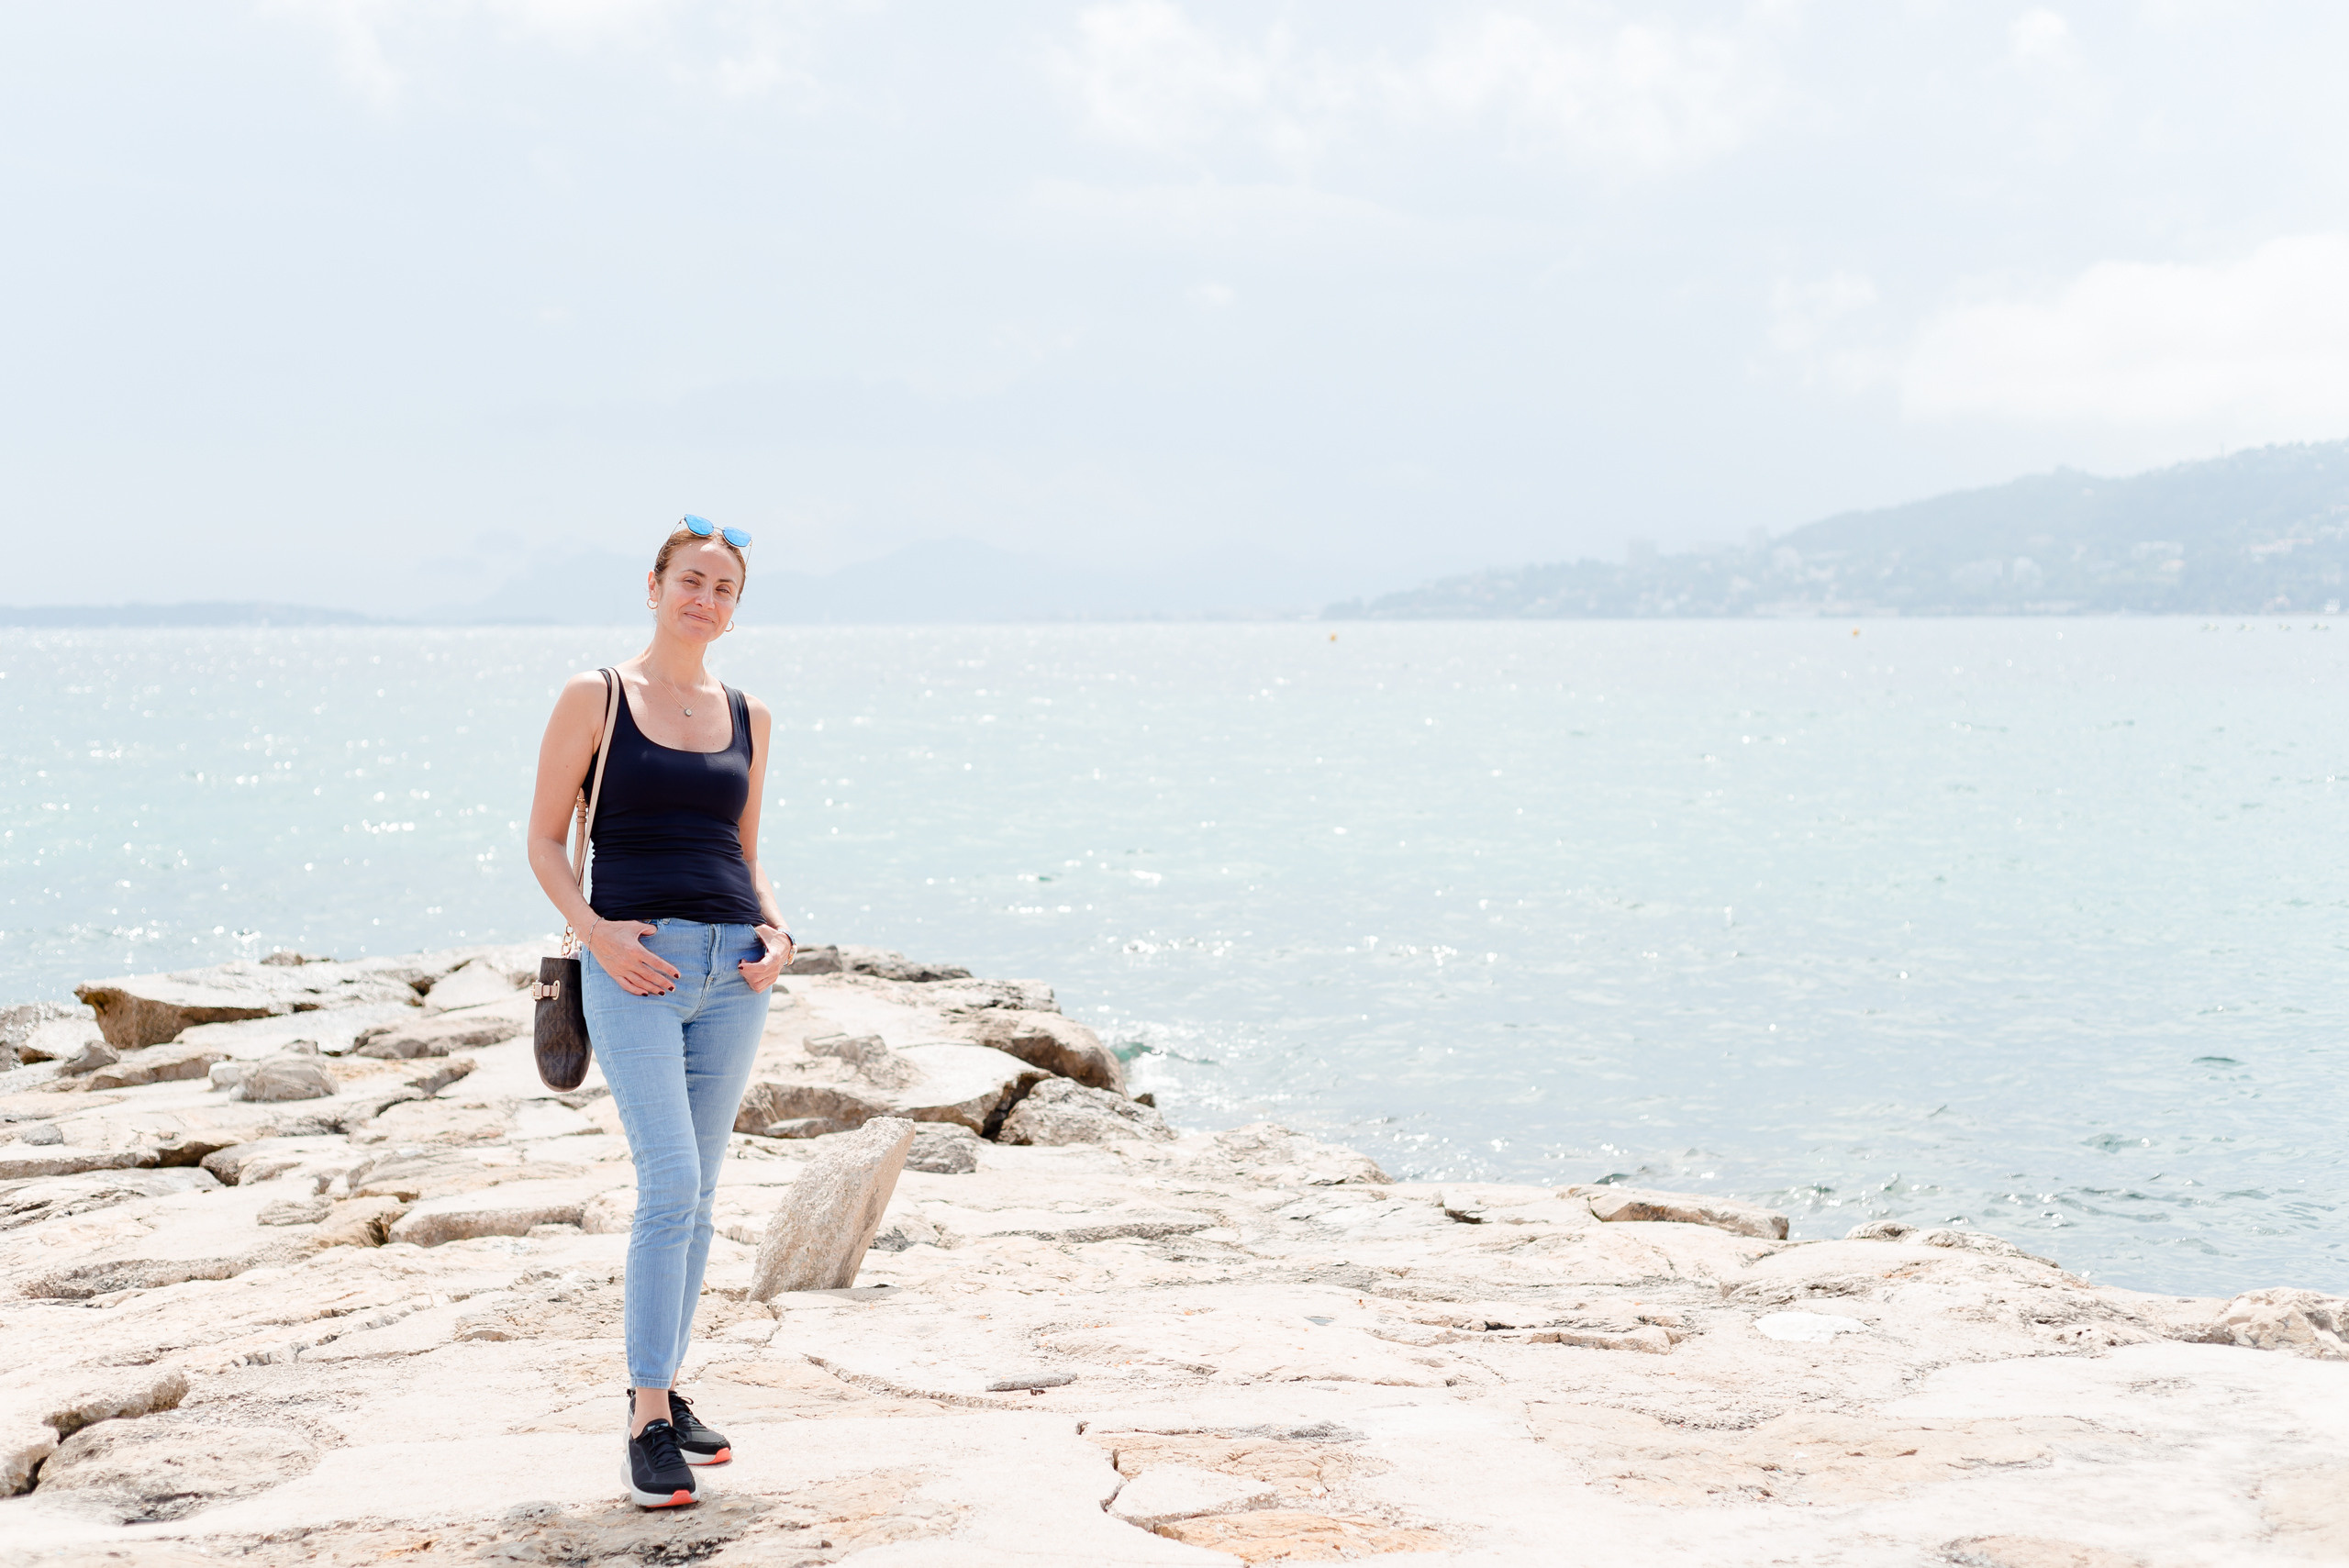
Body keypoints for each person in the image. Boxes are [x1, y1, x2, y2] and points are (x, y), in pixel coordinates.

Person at [526, 516, 795, 1509]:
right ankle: (645, 1417)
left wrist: (779, 932)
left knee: (703, 1192)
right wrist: (597, 933)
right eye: (691, 580)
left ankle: (669, 1389)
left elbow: (747, 852)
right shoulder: (595, 694)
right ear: (654, 585)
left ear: (735, 608)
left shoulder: (751, 714)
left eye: (724, 589)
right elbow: (544, 840)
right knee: (670, 1180)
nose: (705, 600)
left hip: (736, 970)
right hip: (635, 965)